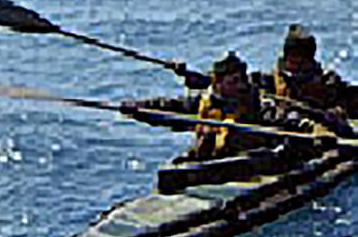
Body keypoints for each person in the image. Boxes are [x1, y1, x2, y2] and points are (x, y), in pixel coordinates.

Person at [124, 51, 296, 161]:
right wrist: (137, 109)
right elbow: (167, 108)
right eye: (234, 81)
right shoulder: (203, 101)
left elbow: (278, 116)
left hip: (245, 166)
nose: (241, 85)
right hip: (209, 166)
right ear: (218, 82)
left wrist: (298, 125)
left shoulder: (254, 103)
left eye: (242, 80)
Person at [263, 24, 358, 127]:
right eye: (294, 58)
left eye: (302, 60)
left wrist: (338, 110)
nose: (297, 64)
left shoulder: (327, 83)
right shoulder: (268, 82)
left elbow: (356, 100)